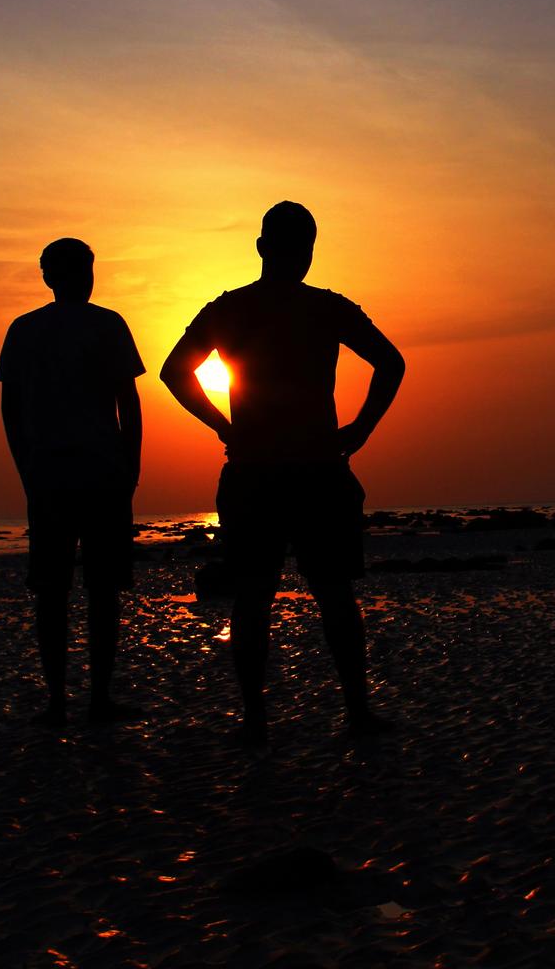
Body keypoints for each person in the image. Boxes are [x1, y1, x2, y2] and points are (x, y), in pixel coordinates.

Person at [161, 202, 405, 747]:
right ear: (298, 250)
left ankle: (258, 721)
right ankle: (356, 713)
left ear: (262, 246)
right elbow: (391, 363)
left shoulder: (232, 309)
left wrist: (223, 426)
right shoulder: (325, 308)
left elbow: (175, 372)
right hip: (313, 468)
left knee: (256, 597)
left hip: (260, 469)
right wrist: (360, 429)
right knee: (331, 593)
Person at [0, 238, 146, 727]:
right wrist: (131, 466)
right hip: (92, 474)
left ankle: (65, 700)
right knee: (94, 591)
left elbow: (11, 410)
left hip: (59, 475)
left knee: (58, 591)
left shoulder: (28, 329)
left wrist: (26, 468)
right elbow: (129, 403)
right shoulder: (103, 324)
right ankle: (84, 699)